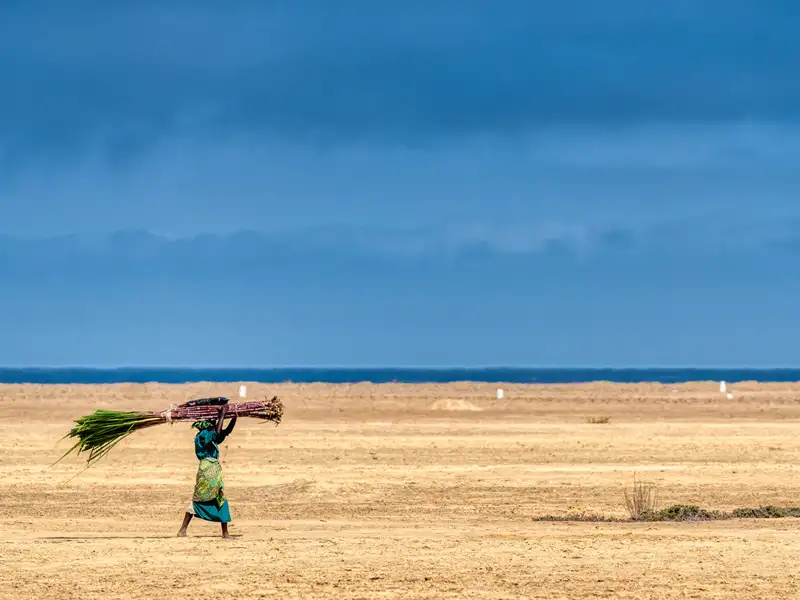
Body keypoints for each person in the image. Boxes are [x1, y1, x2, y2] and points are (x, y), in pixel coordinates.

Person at [177, 404, 237, 538]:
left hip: (212, 469)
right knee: (211, 497)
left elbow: (225, 432)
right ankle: (224, 533)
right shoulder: (204, 435)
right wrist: (222, 415)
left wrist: (234, 417)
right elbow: (217, 432)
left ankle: (183, 530)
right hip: (208, 470)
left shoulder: (209, 436)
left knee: (216, 497)